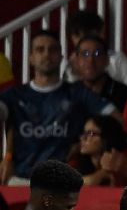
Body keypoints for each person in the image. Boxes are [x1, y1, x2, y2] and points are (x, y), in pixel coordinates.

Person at [0, 31, 115, 184]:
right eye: (40, 50)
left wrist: (88, 140)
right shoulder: (14, 95)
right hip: (20, 180)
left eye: (53, 50)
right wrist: (7, 157)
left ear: (61, 57)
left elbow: (116, 119)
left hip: (62, 184)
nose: (47, 54)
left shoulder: (78, 93)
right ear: (31, 58)